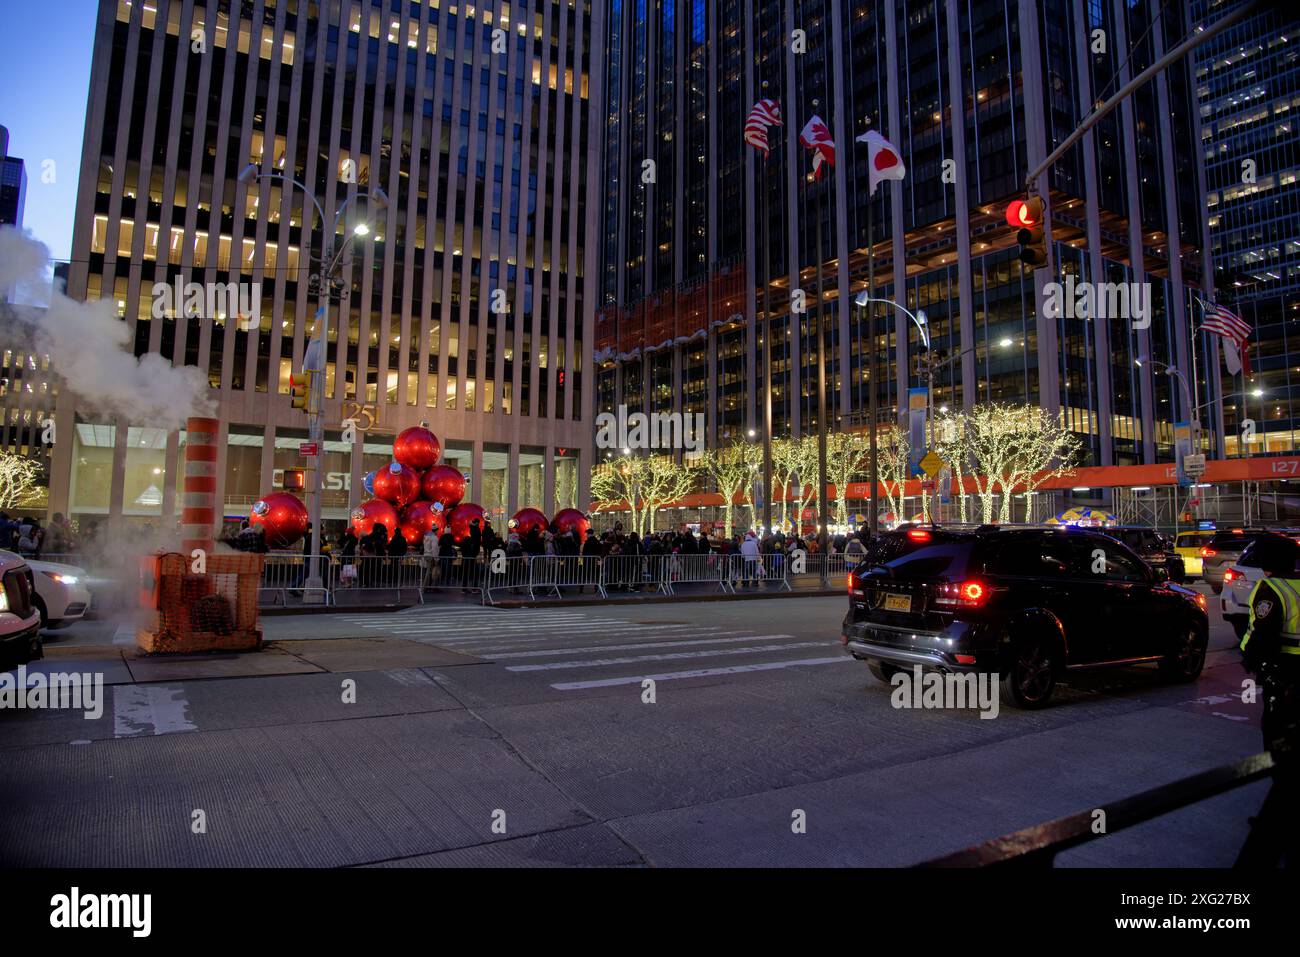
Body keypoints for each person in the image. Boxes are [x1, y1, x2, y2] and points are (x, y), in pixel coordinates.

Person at [1236, 533, 1300, 867]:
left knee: (1278, 747)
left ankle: (1279, 820)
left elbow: (1262, 636)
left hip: (1285, 677)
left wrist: (1252, 661)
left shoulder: (1271, 589)